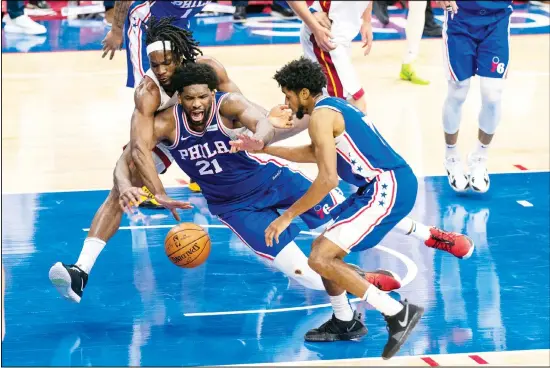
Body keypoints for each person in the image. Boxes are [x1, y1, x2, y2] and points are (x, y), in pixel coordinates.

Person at [48, 62, 401, 307]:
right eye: (189, 98)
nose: (162, 70)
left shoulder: (220, 93)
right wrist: (152, 191)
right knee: (307, 275)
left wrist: (261, 134)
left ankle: (419, 229)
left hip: (272, 176)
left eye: (202, 96)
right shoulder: (156, 109)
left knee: (341, 218)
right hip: (235, 205)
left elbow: (259, 119)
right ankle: (360, 278)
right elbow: (130, 156)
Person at [230, 57, 475, 359]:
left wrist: (287, 217)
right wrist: (263, 148)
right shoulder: (332, 106)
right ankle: (345, 321)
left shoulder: (321, 116)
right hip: (381, 185)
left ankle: (397, 312)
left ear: (303, 93)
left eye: (288, 95)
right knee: (324, 252)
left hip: (385, 187)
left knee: (321, 256)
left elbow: (328, 179)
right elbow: (312, 152)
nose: (287, 102)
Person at [101, 1, 211, 193]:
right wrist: (117, 30)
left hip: (178, 27)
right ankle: (141, 178)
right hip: (146, 25)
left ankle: (197, 171)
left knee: (190, 96)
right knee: (154, 100)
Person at [439, 0, 513, 193]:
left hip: (497, 19)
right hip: (460, 16)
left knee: (493, 94)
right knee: (458, 89)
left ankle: (480, 157)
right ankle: (451, 155)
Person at [286, 1, 373, 113]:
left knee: (317, 106)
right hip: (326, 36)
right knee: (350, 105)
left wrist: (366, 20)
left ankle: (267, 124)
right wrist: (313, 21)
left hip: (341, 37)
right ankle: (267, 124)